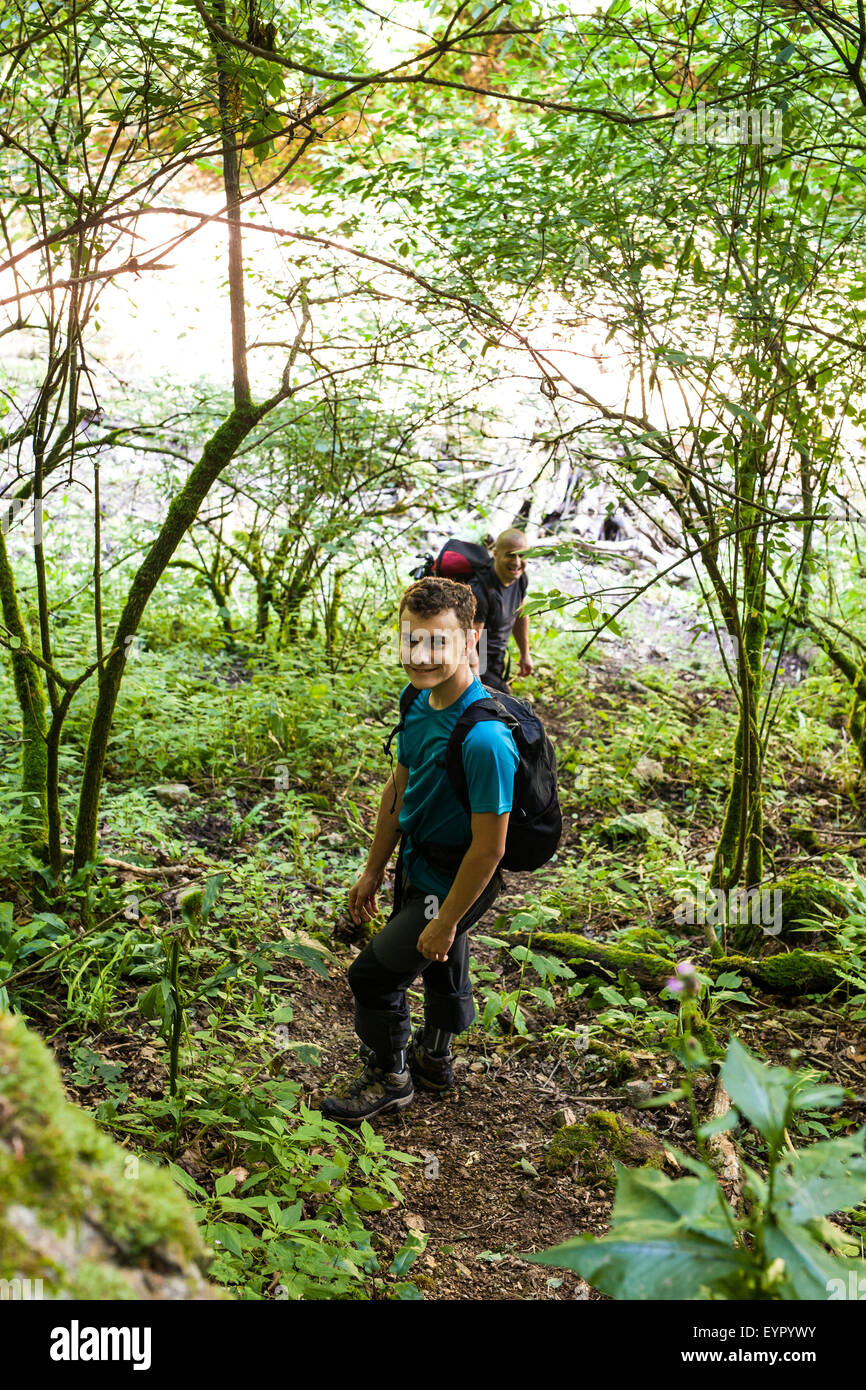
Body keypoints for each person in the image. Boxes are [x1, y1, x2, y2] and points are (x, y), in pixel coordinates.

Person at [320, 576, 519, 1124]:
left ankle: (391, 1077)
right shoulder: (417, 699)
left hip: (456, 877)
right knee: (439, 958)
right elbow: (398, 786)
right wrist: (373, 870)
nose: (422, 655)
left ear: (471, 640)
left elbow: (490, 848)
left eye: (438, 641)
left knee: (374, 977)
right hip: (417, 860)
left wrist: (447, 916)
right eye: (412, 640)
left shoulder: (485, 739)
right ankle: (435, 1060)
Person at [469, 528, 533, 693]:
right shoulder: (480, 591)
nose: (517, 562)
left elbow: (520, 614)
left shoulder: (520, 579)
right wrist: (476, 685)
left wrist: (525, 653)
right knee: (504, 712)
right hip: (479, 660)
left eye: (522, 555)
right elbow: (469, 643)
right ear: (496, 554)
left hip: (497, 658)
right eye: (510, 555)